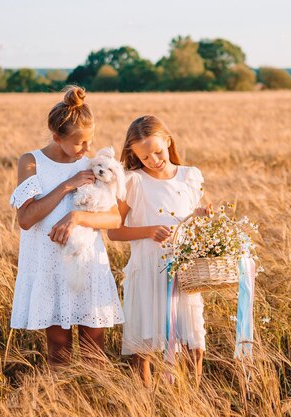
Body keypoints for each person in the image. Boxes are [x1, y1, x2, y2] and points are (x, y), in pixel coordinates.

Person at [9, 86, 124, 367]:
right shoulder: (31, 162)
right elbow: (26, 219)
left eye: (90, 141)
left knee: (93, 347)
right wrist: (67, 186)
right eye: (79, 143)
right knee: (58, 349)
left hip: (85, 264)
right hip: (47, 265)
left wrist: (77, 218)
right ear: (56, 137)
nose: (86, 150)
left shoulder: (92, 165)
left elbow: (114, 219)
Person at [108, 115, 209, 387]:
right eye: (144, 157)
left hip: (185, 272)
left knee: (193, 343)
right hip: (147, 270)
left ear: (168, 141)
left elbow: (194, 226)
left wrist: (201, 217)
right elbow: (113, 231)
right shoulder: (132, 182)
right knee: (144, 347)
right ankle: (146, 402)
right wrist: (148, 231)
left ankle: (191, 401)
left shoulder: (189, 176)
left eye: (158, 151)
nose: (153, 160)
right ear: (134, 156)